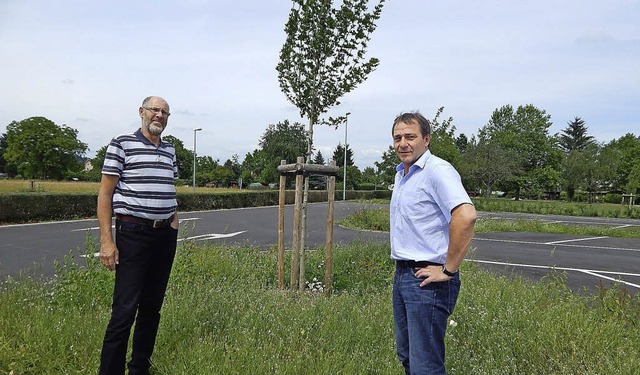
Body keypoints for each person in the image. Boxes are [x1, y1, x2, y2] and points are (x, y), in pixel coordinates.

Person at [389, 112, 477, 375]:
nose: (403, 143)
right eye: (397, 138)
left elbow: (466, 216)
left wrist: (448, 270)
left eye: (410, 137)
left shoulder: (437, 171)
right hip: (404, 274)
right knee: (407, 356)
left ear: (426, 140)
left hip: (428, 280)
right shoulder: (403, 174)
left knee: (425, 365)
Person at [97, 96, 179, 375]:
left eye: (165, 112)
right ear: (141, 112)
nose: (159, 115)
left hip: (164, 235)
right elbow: (105, 194)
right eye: (155, 109)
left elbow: (169, 186)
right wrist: (107, 241)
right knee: (125, 309)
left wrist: (173, 221)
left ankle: (139, 367)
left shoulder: (170, 150)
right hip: (133, 233)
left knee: (152, 307)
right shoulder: (122, 143)